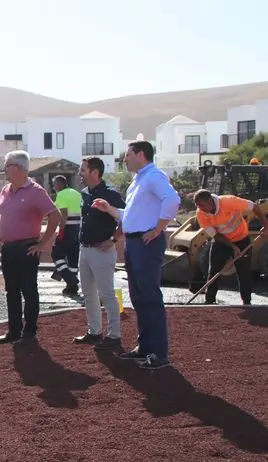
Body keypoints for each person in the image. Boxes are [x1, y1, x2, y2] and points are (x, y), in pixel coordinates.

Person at [92, 141, 180, 370]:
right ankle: (145, 346)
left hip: (146, 243)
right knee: (139, 296)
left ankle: (159, 353)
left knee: (149, 296)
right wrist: (110, 210)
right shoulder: (139, 180)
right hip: (135, 242)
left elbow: (172, 200)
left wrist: (158, 228)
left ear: (140, 154)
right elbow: (131, 216)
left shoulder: (153, 176)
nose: (124, 159)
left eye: (127, 154)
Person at [0, 150, 61, 344]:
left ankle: (29, 332)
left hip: (27, 248)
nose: (4, 168)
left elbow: (54, 215)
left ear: (18, 168)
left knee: (29, 290)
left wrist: (43, 243)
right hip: (8, 249)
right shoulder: (5, 190)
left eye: (7, 165)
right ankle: (13, 331)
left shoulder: (36, 191)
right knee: (11, 291)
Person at [73, 157, 126, 347]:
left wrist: (113, 239)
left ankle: (114, 335)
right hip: (85, 250)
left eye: (83, 170)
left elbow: (126, 219)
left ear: (95, 172)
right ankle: (94, 331)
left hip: (102, 251)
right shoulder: (85, 193)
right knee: (88, 293)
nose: (80, 174)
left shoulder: (111, 195)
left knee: (106, 294)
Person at [193, 189, 268, 305]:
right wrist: (232, 246)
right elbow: (215, 235)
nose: (199, 208)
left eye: (201, 205)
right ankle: (209, 301)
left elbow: (255, 207)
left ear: (209, 201)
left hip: (242, 239)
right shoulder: (200, 214)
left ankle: (247, 302)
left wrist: (266, 226)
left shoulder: (229, 201)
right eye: (197, 205)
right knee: (213, 270)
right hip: (221, 242)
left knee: (244, 272)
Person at [50, 175, 82, 296]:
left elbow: (64, 214)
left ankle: (71, 280)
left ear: (59, 184)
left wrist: (61, 231)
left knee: (56, 254)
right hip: (77, 230)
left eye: (54, 184)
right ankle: (71, 287)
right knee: (73, 257)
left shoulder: (61, 195)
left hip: (68, 229)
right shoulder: (76, 193)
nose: (53, 187)